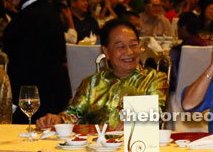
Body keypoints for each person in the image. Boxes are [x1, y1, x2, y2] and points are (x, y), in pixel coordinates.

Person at [35, 20, 168, 131]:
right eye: (120, 47)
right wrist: (58, 119)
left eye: (133, 45)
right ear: (106, 51)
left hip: (136, 149)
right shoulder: (92, 83)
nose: (129, 52)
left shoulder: (154, 79)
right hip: (95, 148)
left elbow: (156, 113)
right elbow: (74, 114)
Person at [2, 0, 72, 124]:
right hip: (48, 88)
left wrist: (15, 100)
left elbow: (26, 62)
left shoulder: (35, 16)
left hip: (39, 93)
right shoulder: (42, 10)